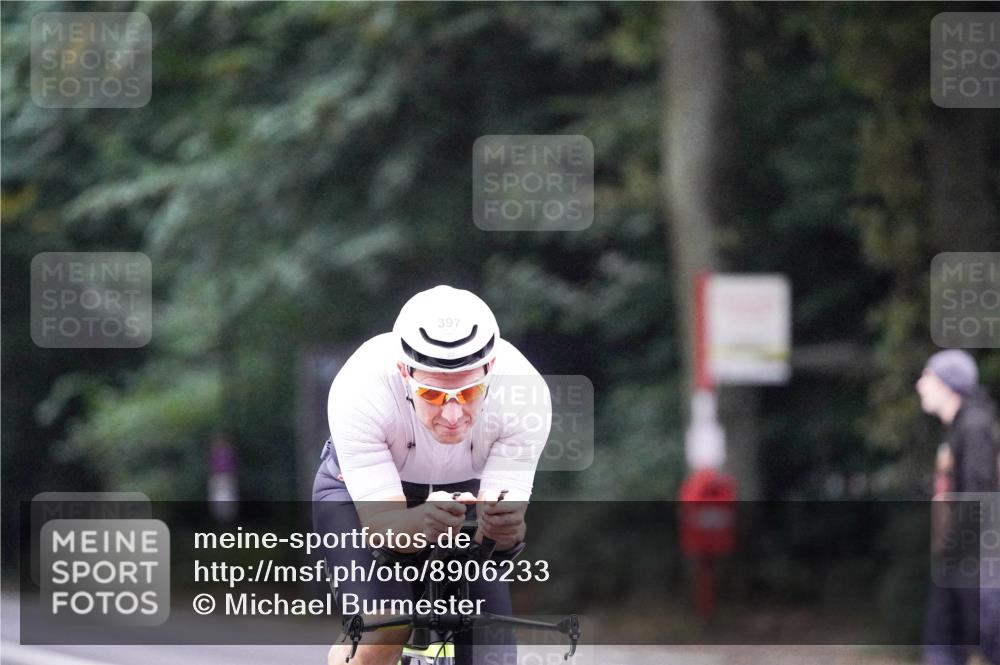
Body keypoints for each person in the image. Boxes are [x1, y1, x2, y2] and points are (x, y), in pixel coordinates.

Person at [313, 285, 551, 665]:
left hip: (464, 500)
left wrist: (504, 529)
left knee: (493, 649)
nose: (453, 416)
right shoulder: (360, 386)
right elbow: (381, 528)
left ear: (490, 371)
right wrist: (420, 519)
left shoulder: (525, 393)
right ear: (404, 372)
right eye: (434, 396)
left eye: (470, 394)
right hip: (363, 500)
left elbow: (501, 542)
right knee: (385, 627)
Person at [916, 349, 1000, 665]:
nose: (920, 384)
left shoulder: (975, 426)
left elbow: (979, 496)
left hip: (976, 562)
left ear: (948, 384)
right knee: (940, 643)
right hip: (957, 559)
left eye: (927, 376)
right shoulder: (957, 429)